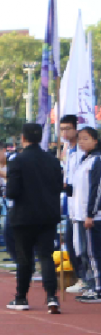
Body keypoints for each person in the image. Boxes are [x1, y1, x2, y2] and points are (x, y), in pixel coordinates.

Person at [6, 123, 64, 313]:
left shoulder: (17, 161)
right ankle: (52, 297)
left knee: (24, 259)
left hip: (24, 216)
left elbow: (12, 192)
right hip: (48, 215)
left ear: (23, 138)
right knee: (46, 256)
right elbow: (58, 187)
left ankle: (21, 297)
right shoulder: (53, 161)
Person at [69, 126, 101, 303]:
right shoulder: (83, 160)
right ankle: (90, 285)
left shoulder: (97, 160)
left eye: (86, 138)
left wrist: (91, 213)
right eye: (80, 138)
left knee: (93, 253)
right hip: (79, 215)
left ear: (95, 140)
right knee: (82, 252)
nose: (82, 142)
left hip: (92, 217)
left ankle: (98, 288)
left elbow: (97, 190)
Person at [60, 115, 87, 292]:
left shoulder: (81, 152)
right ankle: (81, 278)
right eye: (62, 129)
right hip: (69, 203)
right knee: (70, 243)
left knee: (81, 245)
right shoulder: (67, 150)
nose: (64, 132)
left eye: (68, 128)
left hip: (82, 205)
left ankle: (86, 279)